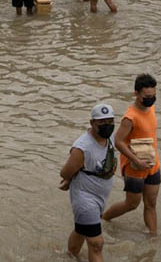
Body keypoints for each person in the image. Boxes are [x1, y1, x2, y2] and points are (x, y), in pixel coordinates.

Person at [103, 74, 161, 236]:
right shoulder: (130, 117)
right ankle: (105, 218)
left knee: (151, 203)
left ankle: (153, 237)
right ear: (136, 94)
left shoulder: (152, 108)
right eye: (147, 97)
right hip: (134, 167)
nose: (151, 99)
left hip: (152, 164)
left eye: (153, 96)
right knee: (132, 204)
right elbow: (118, 141)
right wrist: (136, 160)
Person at [60, 102, 118, 262]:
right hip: (85, 199)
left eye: (110, 122)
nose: (107, 125)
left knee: (81, 230)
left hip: (100, 197)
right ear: (92, 123)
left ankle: (70, 256)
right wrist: (69, 178)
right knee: (96, 243)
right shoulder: (82, 148)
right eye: (102, 122)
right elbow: (64, 172)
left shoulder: (110, 137)